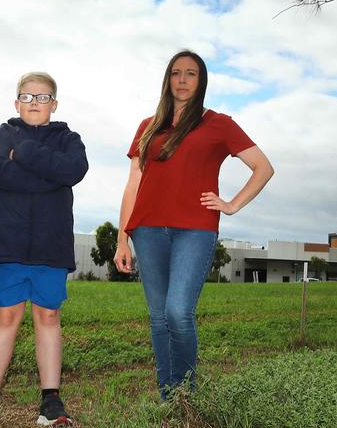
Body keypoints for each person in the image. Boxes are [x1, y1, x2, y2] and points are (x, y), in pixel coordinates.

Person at [114, 50, 274, 399]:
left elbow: (263, 167)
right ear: (167, 79)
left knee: (178, 312)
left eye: (191, 74)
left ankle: (186, 394)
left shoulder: (218, 123)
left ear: (201, 81)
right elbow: (133, 184)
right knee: (158, 317)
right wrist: (121, 240)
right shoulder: (148, 126)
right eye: (176, 73)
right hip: (147, 229)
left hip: (195, 229)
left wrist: (231, 205)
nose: (183, 80)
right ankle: (167, 396)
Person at [0, 72, 88, 428]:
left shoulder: (69, 139)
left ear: (55, 103)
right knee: (6, 316)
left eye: (43, 96)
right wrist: (49, 176)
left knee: (48, 317)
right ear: (16, 102)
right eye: (28, 96)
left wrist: (26, 153)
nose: (35, 103)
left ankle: (51, 399)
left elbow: (75, 169)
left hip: (51, 244)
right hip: (8, 242)